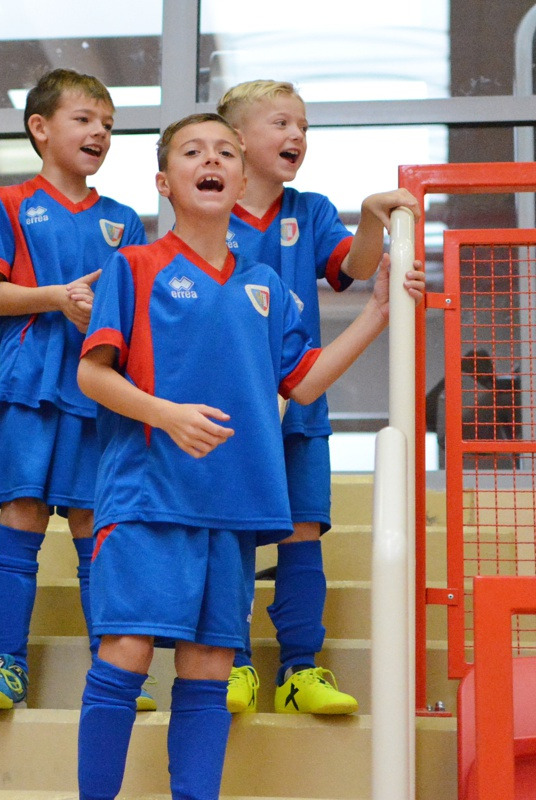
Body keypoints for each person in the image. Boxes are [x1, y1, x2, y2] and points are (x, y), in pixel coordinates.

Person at [74, 112, 424, 799]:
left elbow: (304, 383)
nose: (211, 160)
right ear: (164, 183)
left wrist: (377, 314)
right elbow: (93, 373)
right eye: (192, 152)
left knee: (209, 669)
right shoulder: (133, 266)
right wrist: (165, 415)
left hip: (233, 508)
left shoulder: (265, 283)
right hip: (147, 498)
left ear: (240, 182)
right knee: (126, 653)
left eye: (225, 153)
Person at [216, 79, 423, 714]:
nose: (297, 136)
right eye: (281, 123)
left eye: (303, 126)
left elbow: (352, 269)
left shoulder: (309, 210)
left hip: (303, 399)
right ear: (238, 139)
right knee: (232, 530)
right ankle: (234, 665)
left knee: (304, 529)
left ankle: (299, 670)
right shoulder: (209, 211)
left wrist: (370, 218)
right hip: (228, 408)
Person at [0, 68, 147, 712]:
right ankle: (6, 666)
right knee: (22, 517)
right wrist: (56, 298)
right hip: (28, 387)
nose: (100, 132)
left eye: (108, 124)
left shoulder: (125, 219)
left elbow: (137, 313)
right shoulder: (7, 203)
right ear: (40, 128)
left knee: (95, 527)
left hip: (99, 396)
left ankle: (113, 670)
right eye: (84, 119)